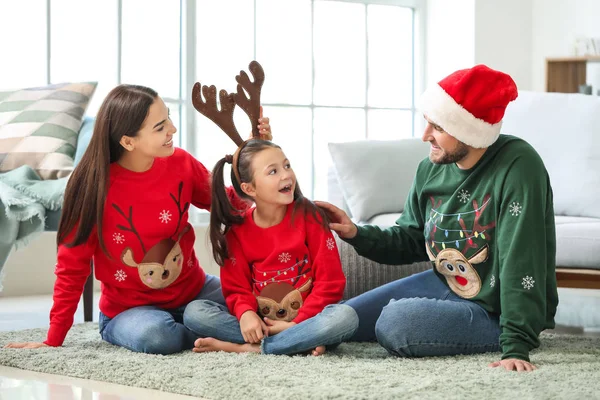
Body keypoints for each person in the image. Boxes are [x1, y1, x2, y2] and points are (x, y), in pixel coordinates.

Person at [317, 65, 558, 372]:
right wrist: (355, 233)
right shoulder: (429, 169)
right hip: (445, 284)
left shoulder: (519, 166)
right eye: (427, 123)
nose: (424, 136)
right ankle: (264, 342)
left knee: (396, 323)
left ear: (470, 131)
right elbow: (410, 239)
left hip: (492, 308)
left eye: (439, 128)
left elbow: (521, 258)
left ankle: (505, 331)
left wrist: (517, 345)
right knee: (336, 319)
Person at [4, 84, 272, 354]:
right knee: (157, 338)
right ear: (128, 141)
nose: (172, 129)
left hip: (195, 291)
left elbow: (229, 207)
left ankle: (205, 321)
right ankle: (213, 327)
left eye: (168, 117)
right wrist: (54, 337)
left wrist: (251, 160)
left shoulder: (181, 164)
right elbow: (71, 268)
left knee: (265, 300)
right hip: (130, 311)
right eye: (159, 127)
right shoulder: (92, 189)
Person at [186, 139, 358, 356]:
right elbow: (236, 289)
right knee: (195, 313)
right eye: (273, 171)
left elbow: (330, 282)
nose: (286, 175)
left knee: (345, 317)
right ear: (249, 188)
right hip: (264, 324)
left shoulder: (310, 216)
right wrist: (246, 313)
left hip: (309, 320)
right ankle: (298, 343)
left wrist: (298, 324)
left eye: (287, 166)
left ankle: (248, 348)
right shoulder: (237, 232)